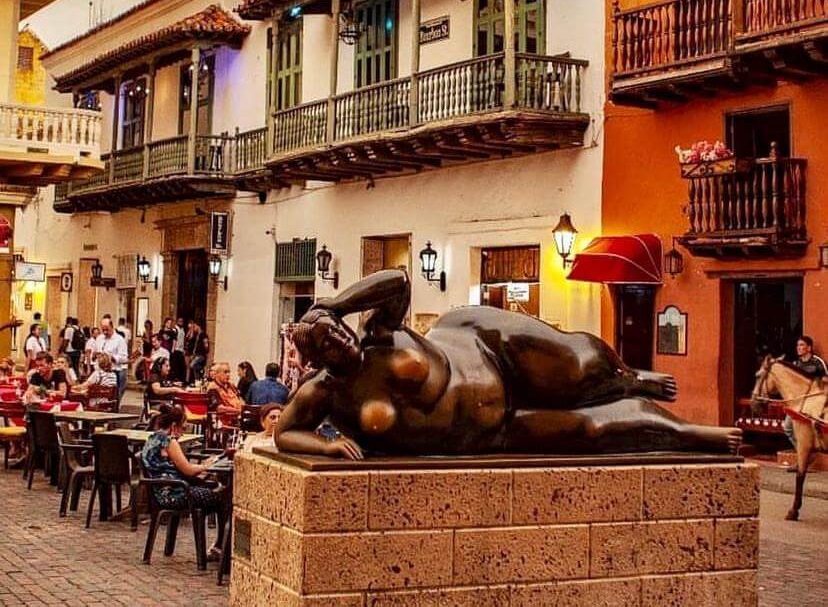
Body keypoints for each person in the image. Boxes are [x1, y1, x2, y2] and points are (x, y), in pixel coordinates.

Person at [275, 269, 742, 459]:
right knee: (591, 431)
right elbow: (284, 433)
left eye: (339, 329)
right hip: (494, 432)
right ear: (320, 361)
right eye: (332, 347)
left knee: (579, 368)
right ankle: (691, 435)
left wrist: (334, 301)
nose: (343, 343)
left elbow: (397, 279)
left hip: (485, 351)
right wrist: (328, 449)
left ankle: (627, 377)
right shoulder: (325, 393)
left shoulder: (378, 331)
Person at [141, 403, 226, 560]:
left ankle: (219, 546)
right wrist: (207, 465)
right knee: (222, 498)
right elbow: (187, 469)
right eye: (183, 427)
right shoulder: (169, 442)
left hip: (160, 492)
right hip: (176, 493)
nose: (182, 432)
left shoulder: (152, 439)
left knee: (213, 492)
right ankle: (220, 546)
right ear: (174, 426)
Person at [782, 336, 827, 454]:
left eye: (801, 345)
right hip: (797, 403)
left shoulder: (818, 362)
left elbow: (826, 380)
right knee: (788, 428)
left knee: (812, 429)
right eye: (798, 345)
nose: (798, 348)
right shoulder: (795, 363)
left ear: (809, 348)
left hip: (813, 401)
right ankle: (803, 455)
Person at [96, 316, 129, 400]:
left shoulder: (119, 340)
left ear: (112, 327)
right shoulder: (99, 338)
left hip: (117, 370)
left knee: (115, 395)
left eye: (107, 329)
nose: (105, 332)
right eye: (103, 330)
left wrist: (112, 357)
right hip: (102, 370)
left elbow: (124, 358)